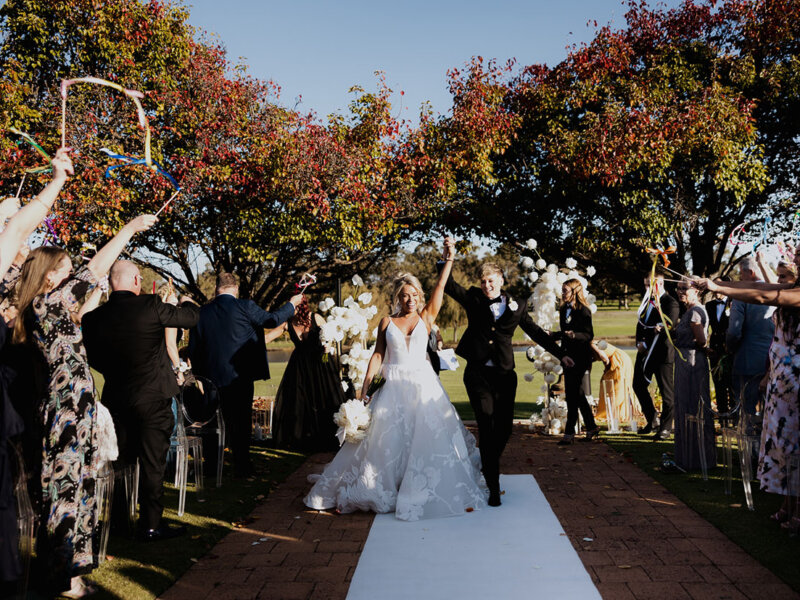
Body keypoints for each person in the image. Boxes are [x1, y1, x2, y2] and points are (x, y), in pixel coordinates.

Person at [5, 211, 156, 598]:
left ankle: (67, 571)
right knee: (66, 491)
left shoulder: (44, 309)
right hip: (67, 410)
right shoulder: (46, 305)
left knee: (75, 488)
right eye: (66, 271)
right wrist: (128, 229)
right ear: (50, 277)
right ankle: (64, 577)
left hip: (73, 408)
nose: (74, 276)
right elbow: (98, 267)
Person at [305, 238, 487, 519]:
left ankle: (420, 488)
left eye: (415, 295)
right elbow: (378, 356)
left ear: (419, 297)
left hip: (423, 388)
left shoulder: (427, 317)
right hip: (391, 387)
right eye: (405, 295)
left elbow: (440, 288)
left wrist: (449, 260)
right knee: (383, 443)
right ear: (397, 297)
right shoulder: (386, 322)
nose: (410, 299)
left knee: (424, 441)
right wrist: (364, 390)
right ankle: (376, 487)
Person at [440, 248, 573, 506]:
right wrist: (448, 258)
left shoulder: (518, 304)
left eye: (491, 280)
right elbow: (448, 285)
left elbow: (536, 332)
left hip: (504, 375)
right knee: (487, 425)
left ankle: (487, 462)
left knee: (504, 430)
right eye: (483, 281)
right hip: (477, 373)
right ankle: (493, 484)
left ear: (501, 280)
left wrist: (560, 354)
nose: (487, 285)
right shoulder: (474, 298)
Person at [82, 261, 200, 542]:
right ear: (136, 280)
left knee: (122, 464)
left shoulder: (95, 318)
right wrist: (187, 302)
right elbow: (191, 319)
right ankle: (150, 525)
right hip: (153, 399)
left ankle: (121, 524)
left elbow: (94, 358)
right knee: (152, 464)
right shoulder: (151, 305)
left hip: (116, 400)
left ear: (111, 283)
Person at [696, 275, 800, 531]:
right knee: (782, 442)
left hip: (796, 380)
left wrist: (718, 288)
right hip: (781, 377)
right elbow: (758, 287)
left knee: (795, 444)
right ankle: (787, 504)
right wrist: (711, 283)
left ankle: (798, 511)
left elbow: (764, 297)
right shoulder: (792, 287)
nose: (796, 256)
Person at [187, 273, 302, 477]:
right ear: (236, 289)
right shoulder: (245, 306)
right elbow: (272, 319)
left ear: (216, 289)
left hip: (211, 379)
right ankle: (242, 467)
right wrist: (291, 304)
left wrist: (199, 378)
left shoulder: (201, 313)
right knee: (240, 422)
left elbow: (194, 349)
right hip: (240, 377)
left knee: (213, 422)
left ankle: (212, 467)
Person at [269, 296, 345, 451]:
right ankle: (300, 438)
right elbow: (268, 337)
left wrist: (327, 345)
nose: (291, 309)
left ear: (302, 306)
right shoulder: (287, 323)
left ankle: (329, 437)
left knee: (324, 398)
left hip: (320, 365)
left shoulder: (316, 318)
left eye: (295, 306)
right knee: (298, 400)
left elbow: (330, 335)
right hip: (299, 367)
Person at [672, 279, 715, 471]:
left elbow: (701, 340)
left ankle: (697, 459)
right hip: (684, 361)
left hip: (691, 363)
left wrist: (704, 349)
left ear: (696, 290)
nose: (680, 292)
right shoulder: (689, 311)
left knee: (693, 406)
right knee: (683, 406)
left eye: (684, 289)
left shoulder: (696, 311)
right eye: (679, 288)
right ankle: (685, 457)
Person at [633, 273, 679, 440]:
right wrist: (639, 342)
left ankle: (666, 428)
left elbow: (669, 325)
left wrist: (656, 332)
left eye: (649, 285)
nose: (647, 289)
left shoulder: (670, 302)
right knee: (638, 384)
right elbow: (640, 324)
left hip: (662, 353)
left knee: (666, 392)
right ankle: (652, 420)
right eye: (645, 285)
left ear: (659, 284)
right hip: (644, 352)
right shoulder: (646, 302)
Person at [726, 257, 774, 417]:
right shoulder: (776, 292)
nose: (740, 278)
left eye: (741, 274)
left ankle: (749, 440)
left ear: (750, 273)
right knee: (771, 410)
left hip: (747, 360)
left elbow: (734, 331)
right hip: (773, 360)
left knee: (747, 411)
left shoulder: (742, 295)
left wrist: (730, 348)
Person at [555, 279, 599, 444]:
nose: (563, 293)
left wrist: (575, 335)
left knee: (573, 395)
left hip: (581, 357)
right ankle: (592, 427)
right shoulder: (563, 309)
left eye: (565, 290)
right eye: (562, 290)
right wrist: (554, 335)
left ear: (575, 291)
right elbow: (564, 332)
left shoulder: (584, 310)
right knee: (577, 394)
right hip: (567, 356)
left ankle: (569, 433)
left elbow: (589, 335)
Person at [591, 341, 635, 426]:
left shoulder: (591, 344)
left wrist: (607, 368)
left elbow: (603, 356)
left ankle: (615, 413)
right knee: (620, 386)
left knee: (616, 387)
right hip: (621, 358)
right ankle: (621, 412)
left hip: (617, 361)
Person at [705, 290, 731, 416]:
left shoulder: (733, 303)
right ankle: (722, 417)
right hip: (714, 348)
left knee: (731, 384)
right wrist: (706, 346)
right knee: (718, 383)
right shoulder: (709, 305)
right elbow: (705, 326)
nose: (715, 292)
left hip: (729, 349)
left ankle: (734, 418)